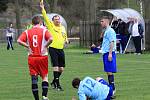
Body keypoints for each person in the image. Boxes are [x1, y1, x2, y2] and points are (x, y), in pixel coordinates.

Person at [17, 16, 53, 100]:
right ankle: (44, 95)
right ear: (40, 23)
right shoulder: (44, 31)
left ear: (32, 23)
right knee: (45, 77)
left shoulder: (27, 31)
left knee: (34, 78)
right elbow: (51, 39)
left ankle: (36, 98)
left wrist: (27, 46)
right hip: (42, 57)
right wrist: (45, 46)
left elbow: (19, 41)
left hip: (32, 57)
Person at [40, 1, 68, 91]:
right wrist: (42, 8)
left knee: (62, 69)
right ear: (52, 21)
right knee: (55, 67)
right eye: (55, 19)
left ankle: (54, 81)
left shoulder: (63, 27)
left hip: (61, 49)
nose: (57, 20)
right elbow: (44, 16)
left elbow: (65, 36)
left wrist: (66, 40)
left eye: (58, 19)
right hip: (53, 49)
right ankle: (57, 85)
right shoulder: (51, 25)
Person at [100, 16, 117, 96]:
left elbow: (112, 42)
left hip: (109, 53)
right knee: (107, 71)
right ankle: (112, 87)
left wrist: (110, 54)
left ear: (106, 21)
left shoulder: (110, 31)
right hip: (105, 53)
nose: (101, 23)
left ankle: (112, 88)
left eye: (102, 21)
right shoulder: (106, 31)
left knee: (109, 71)